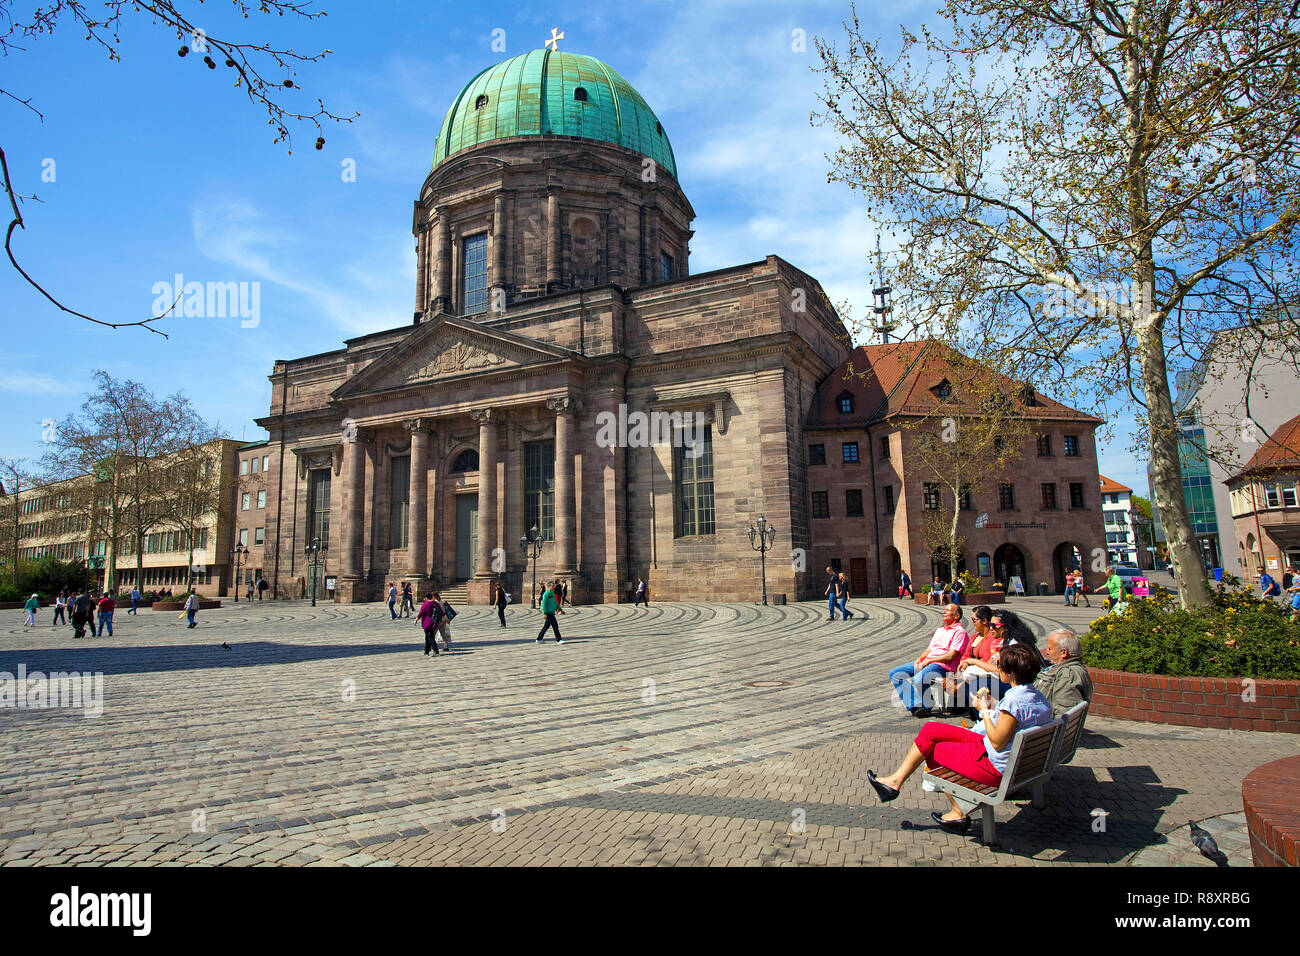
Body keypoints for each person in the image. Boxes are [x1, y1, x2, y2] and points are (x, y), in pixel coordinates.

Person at [867, 643, 1054, 834]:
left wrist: (985, 712)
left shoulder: (1014, 702)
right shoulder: (1037, 697)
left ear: (1012, 673)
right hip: (1024, 763)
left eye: (1001, 666)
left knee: (932, 751)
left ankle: (957, 812)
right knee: (931, 730)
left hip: (998, 768)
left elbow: (998, 743)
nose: (999, 669)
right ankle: (894, 781)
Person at [888, 604, 970, 717]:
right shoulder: (940, 630)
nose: (944, 612)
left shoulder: (960, 632)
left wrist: (929, 661)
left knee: (919, 679)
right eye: (944, 610)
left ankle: (926, 705)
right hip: (930, 661)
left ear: (957, 615)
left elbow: (951, 656)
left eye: (948, 610)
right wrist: (920, 658)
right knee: (896, 673)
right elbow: (930, 649)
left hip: (943, 665)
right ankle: (916, 704)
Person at [943, 606, 1007, 715]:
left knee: (969, 680)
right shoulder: (974, 636)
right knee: (953, 681)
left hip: (981, 670)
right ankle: (962, 704)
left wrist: (970, 664)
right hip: (969, 668)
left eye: (974, 620)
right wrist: (964, 662)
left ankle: (974, 711)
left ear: (984, 621)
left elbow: (988, 658)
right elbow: (966, 654)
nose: (972, 623)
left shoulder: (992, 638)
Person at [1034, 629, 1094, 717]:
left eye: (1050, 648)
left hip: (1044, 728)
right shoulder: (1071, 669)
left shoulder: (1068, 676)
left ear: (1063, 652)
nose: (1046, 652)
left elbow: (1063, 716)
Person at [417, 591, 441, 656]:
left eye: (424, 598)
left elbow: (420, 613)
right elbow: (441, 612)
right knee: (428, 636)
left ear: (427, 598)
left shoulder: (425, 604)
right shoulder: (436, 603)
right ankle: (426, 651)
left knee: (430, 636)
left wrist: (416, 620)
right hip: (435, 622)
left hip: (427, 623)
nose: (424, 599)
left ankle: (436, 650)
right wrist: (446, 619)